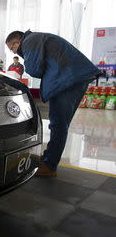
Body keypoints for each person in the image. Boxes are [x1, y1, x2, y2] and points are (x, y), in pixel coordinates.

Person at [5, 30, 100, 177]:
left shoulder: (30, 40)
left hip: (65, 81)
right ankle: (49, 157)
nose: (13, 52)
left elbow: (34, 69)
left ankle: (49, 165)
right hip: (74, 78)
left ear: (17, 42)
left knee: (58, 124)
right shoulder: (39, 37)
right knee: (61, 124)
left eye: (12, 48)